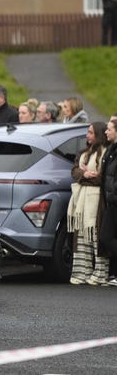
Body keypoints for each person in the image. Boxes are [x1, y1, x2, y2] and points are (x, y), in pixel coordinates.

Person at [68, 122, 110, 285]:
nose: (87, 135)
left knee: (95, 235)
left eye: (91, 133)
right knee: (81, 236)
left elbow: (103, 179)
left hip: (96, 201)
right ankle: (81, 272)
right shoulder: (84, 153)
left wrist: (87, 177)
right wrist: (85, 174)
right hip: (80, 202)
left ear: (99, 134)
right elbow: (74, 171)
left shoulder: (106, 153)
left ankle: (100, 273)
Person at [99, 119, 117, 286]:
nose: (106, 132)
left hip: (114, 200)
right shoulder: (111, 150)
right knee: (108, 237)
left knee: (106, 237)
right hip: (110, 201)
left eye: (109, 129)